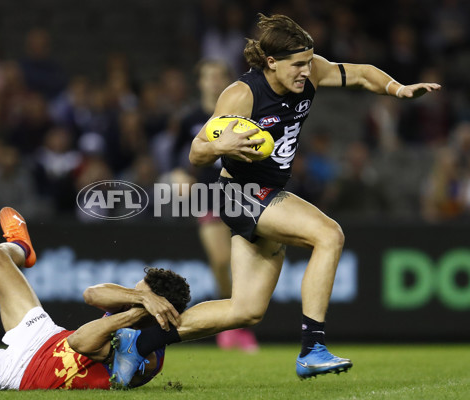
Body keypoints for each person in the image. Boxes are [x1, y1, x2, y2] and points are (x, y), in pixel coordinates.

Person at [110, 14, 441, 384]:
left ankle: (138, 342)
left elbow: (362, 73)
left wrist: (398, 89)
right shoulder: (242, 94)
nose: (306, 70)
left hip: (267, 194)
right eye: (297, 64)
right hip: (240, 193)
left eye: (308, 61)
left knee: (245, 311)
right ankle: (312, 348)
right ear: (271, 62)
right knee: (329, 235)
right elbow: (196, 152)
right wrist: (223, 144)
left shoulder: (311, 72)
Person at [0, 207, 190, 390]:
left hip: (17, 375)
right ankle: (22, 247)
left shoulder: (146, 352)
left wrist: (137, 312)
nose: (134, 295)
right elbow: (92, 294)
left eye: (143, 292)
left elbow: (81, 341)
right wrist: (140, 297)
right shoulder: (134, 300)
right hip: (43, 334)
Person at [173, 59, 258, 352]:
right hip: (208, 195)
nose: (212, 82)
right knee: (221, 262)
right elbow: (177, 157)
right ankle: (231, 327)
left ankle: (238, 326)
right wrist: (179, 175)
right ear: (200, 82)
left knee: (244, 267)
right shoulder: (191, 118)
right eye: (207, 77)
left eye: (218, 76)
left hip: (245, 194)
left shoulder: (245, 112)